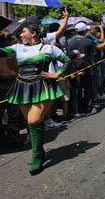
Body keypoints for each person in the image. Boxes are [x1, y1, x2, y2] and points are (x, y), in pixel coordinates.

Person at [0, 24, 73, 175]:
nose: (20, 35)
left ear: (33, 33)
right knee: (30, 122)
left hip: (43, 87)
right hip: (22, 87)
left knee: (34, 121)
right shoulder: (17, 48)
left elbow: (67, 60)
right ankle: (39, 150)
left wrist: (57, 74)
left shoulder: (49, 48)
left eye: (23, 32)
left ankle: (37, 156)